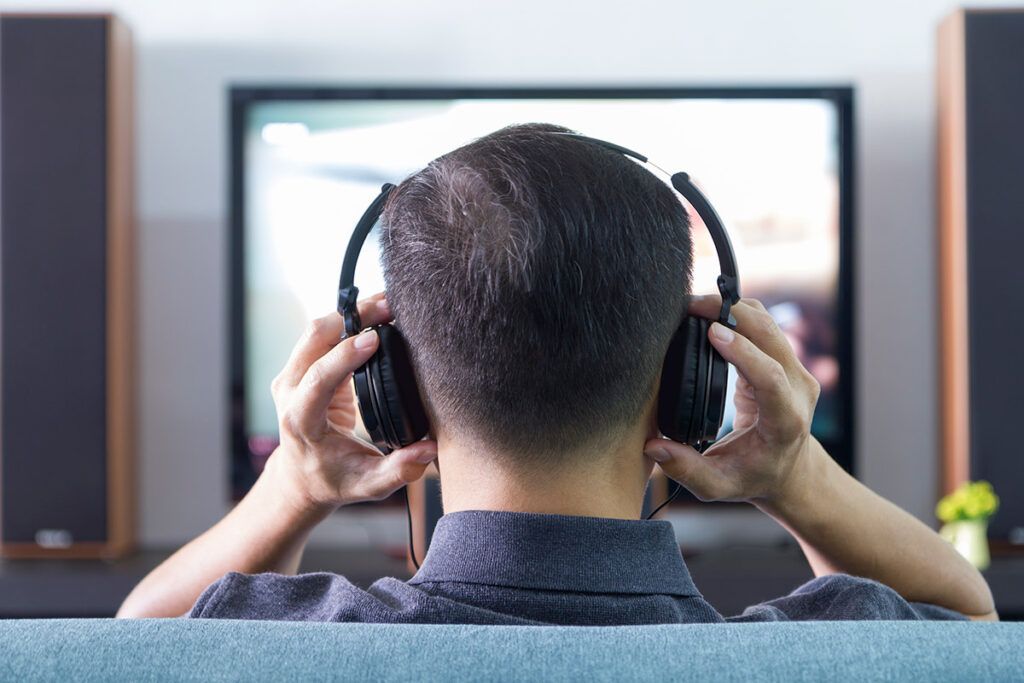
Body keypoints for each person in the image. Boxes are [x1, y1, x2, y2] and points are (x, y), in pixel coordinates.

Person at [117, 123, 996, 623]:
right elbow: (966, 617)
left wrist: (294, 485)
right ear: (693, 383)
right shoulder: (833, 651)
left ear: (397, 392)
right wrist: (796, 473)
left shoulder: (276, 642)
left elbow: (138, 642)